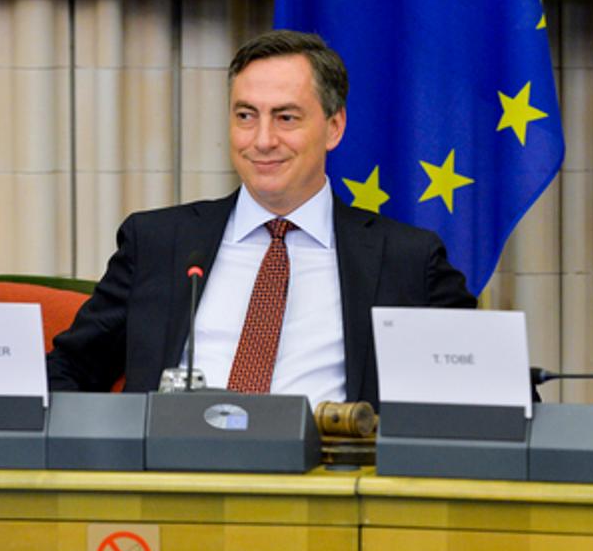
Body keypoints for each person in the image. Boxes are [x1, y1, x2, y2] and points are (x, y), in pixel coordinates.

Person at [48, 30, 476, 408]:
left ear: (334, 127)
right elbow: (65, 372)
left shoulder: (407, 259)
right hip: (175, 481)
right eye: (245, 116)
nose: (263, 140)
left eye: (286, 117)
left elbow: (491, 389)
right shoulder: (160, 242)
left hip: (324, 487)